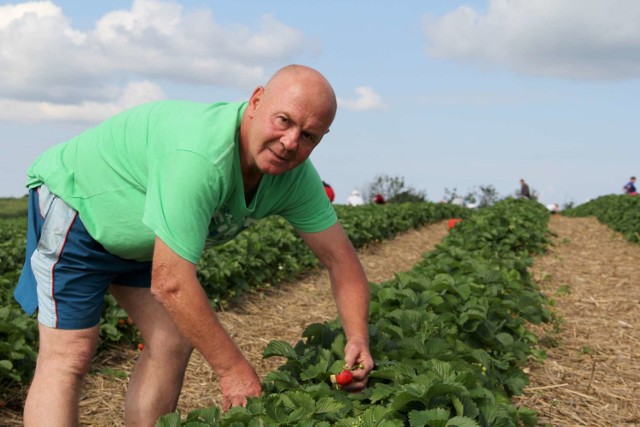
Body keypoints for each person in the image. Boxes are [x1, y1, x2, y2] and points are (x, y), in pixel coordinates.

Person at [14, 64, 374, 426]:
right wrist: (232, 369)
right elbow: (170, 282)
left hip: (145, 230)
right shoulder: (200, 158)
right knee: (70, 355)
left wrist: (358, 337)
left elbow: (341, 262)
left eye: (309, 135)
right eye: (283, 120)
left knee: (172, 339)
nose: (290, 142)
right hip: (82, 205)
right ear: (256, 100)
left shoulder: (294, 178)